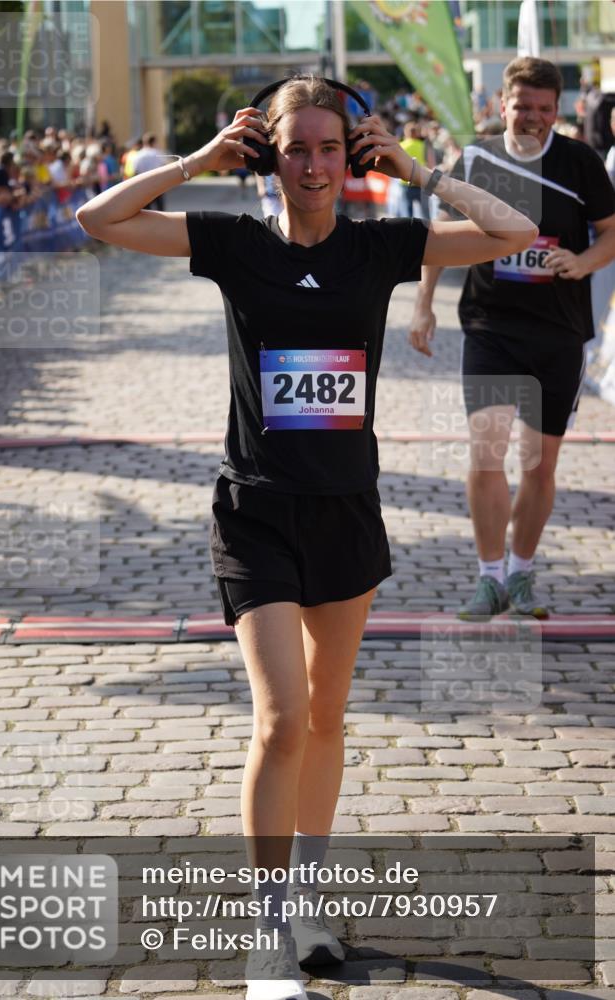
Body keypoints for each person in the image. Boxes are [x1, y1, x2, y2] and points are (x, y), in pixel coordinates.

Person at [76, 75, 537, 1000]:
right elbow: (99, 218)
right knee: (283, 717)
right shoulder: (232, 244)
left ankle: (309, 903)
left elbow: (514, 234)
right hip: (255, 512)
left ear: (350, 155)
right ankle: (265, 932)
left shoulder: (382, 248)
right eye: (298, 149)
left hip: (346, 511)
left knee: (327, 718)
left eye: (331, 147)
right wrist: (200, 162)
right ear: (270, 155)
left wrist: (415, 166)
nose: (316, 165)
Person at [409, 57, 615, 620]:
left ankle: (522, 573)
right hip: (491, 326)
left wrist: (582, 259)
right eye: (523, 106)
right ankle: (489, 577)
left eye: (545, 109)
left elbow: (611, 233)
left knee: (539, 466)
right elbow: (439, 235)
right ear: (501, 105)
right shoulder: (476, 159)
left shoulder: (579, 162)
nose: (534, 119)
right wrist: (424, 305)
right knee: (485, 453)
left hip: (560, 333)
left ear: (560, 110)